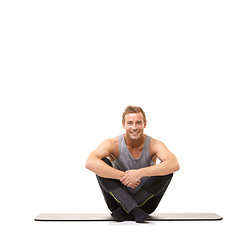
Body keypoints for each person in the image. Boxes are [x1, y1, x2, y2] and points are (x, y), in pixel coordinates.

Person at [85, 106, 180, 223]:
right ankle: (134, 210)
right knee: (101, 163)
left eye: (138, 123)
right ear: (123, 125)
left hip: (146, 204)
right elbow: (90, 162)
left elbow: (174, 164)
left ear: (144, 124)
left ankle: (125, 210)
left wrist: (140, 173)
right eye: (130, 123)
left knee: (167, 169)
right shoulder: (112, 143)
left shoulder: (155, 144)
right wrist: (123, 176)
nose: (134, 127)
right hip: (117, 201)